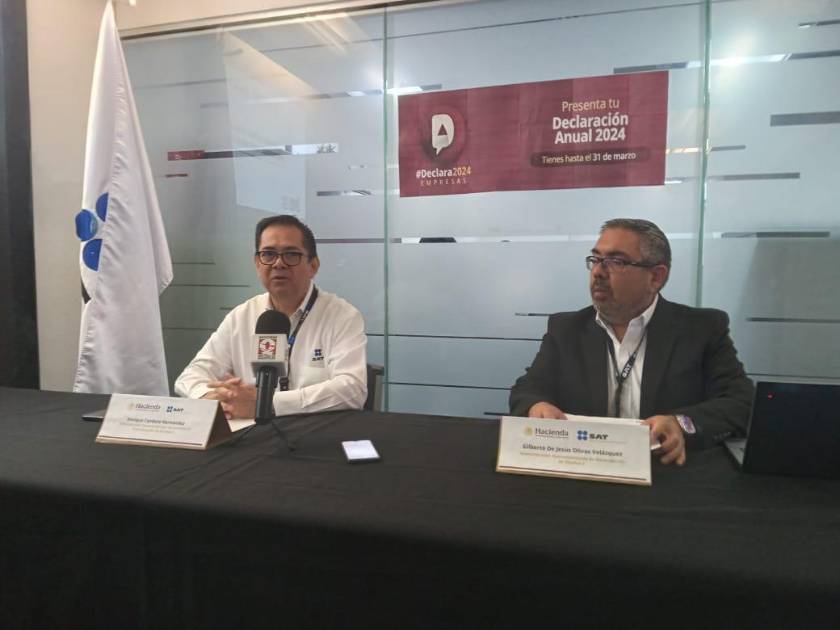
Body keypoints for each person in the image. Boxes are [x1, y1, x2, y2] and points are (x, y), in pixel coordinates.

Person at [509, 218, 753, 466]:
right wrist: (536, 406)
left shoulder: (701, 329)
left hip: (665, 472)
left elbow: (741, 402)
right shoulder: (567, 329)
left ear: (656, 277)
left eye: (616, 262)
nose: (598, 272)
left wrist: (680, 424)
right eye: (595, 259)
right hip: (584, 469)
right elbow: (528, 389)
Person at [175, 215, 367, 419]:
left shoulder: (342, 316)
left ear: (313, 265)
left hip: (313, 432)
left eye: (291, 254)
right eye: (268, 254)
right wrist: (213, 397)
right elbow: (190, 377)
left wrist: (266, 404)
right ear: (257, 263)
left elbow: (352, 389)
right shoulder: (241, 316)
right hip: (248, 432)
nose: (278, 264)